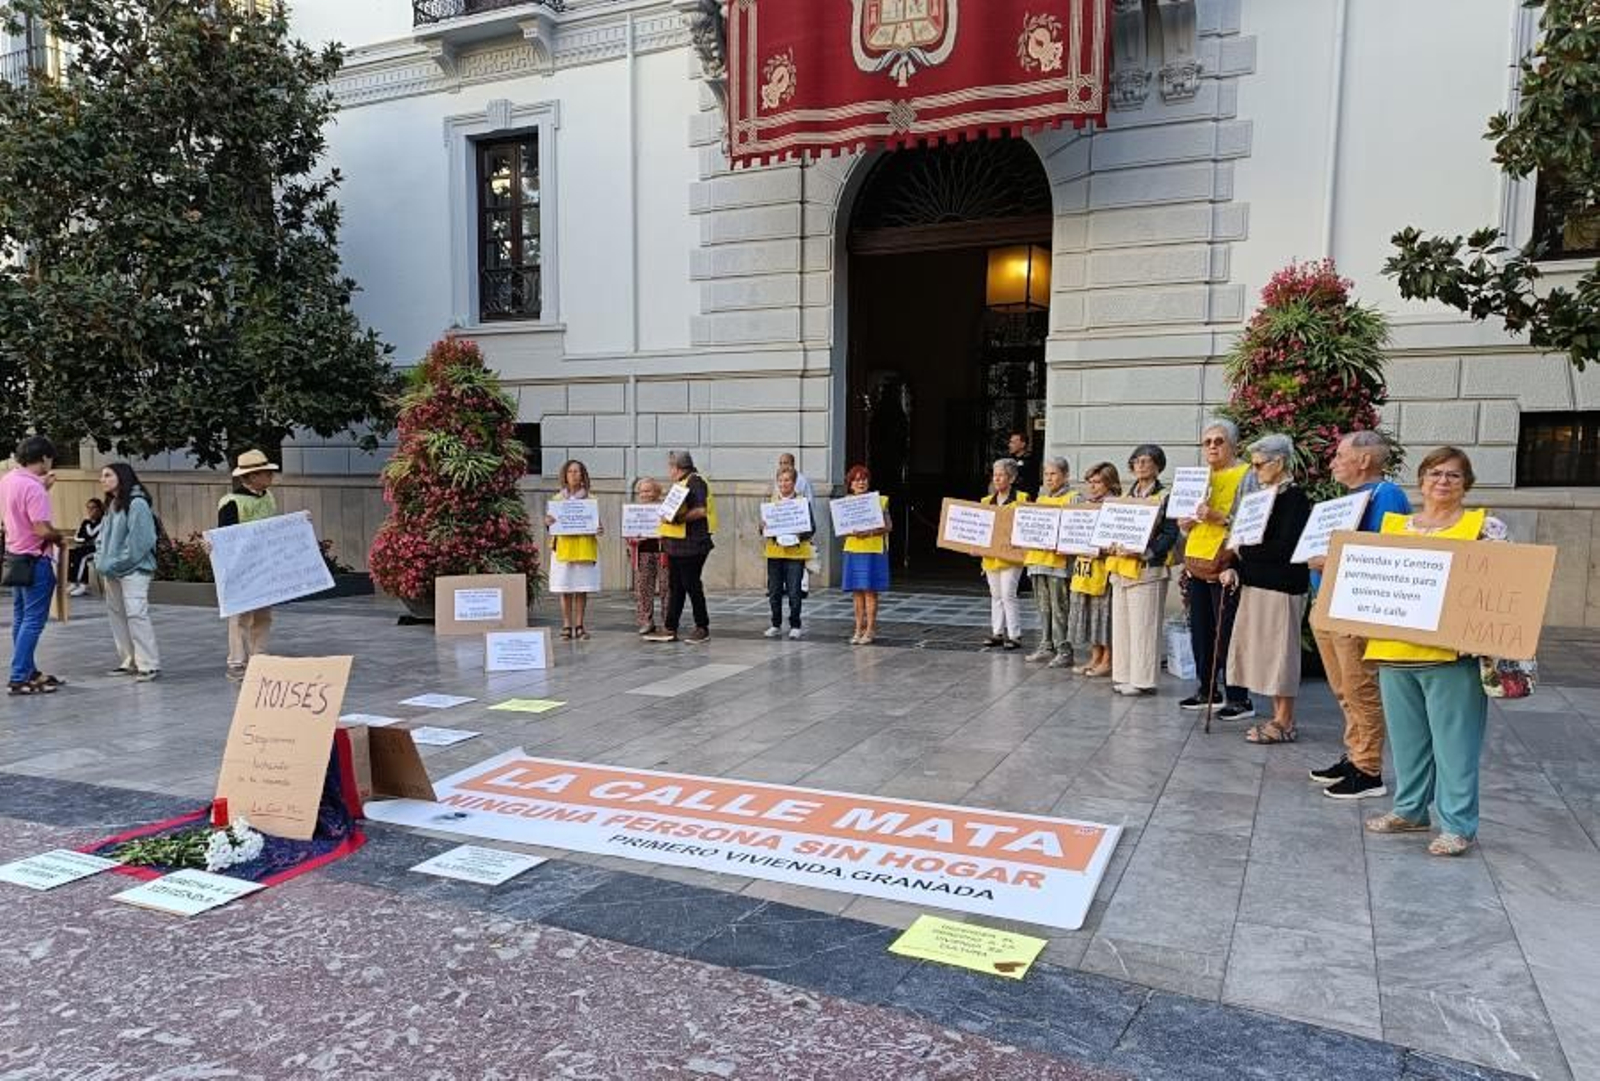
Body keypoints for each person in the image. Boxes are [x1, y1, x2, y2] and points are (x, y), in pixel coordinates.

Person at [1364, 447, 1506, 857]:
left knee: (1455, 746)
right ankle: (1410, 811)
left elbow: (1503, 586)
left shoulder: (1485, 527)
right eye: (1435, 473)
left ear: (1466, 484)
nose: (1443, 481)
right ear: (1422, 481)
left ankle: (1458, 826)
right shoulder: (1395, 526)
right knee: (1407, 743)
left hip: (1451, 656)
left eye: (1453, 475)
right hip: (1394, 651)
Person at [1308, 431, 1413, 799]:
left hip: (1352, 607)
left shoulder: (1386, 495)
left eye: (1340, 455)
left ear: (1365, 460)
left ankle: (1368, 770)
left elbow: (1380, 553)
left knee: (1360, 688)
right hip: (1327, 603)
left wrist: (1328, 559)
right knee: (1344, 689)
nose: (1333, 462)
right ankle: (1355, 755)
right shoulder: (1349, 499)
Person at [1217, 435, 1313, 743]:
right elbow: (1246, 538)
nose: (1254, 470)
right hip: (1256, 583)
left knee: (1280, 654)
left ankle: (1285, 721)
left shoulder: (1294, 498)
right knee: (1265, 654)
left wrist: (1243, 551)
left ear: (1279, 462)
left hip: (1282, 586)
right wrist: (1235, 565)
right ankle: (1277, 716)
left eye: (1259, 464)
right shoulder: (1261, 497)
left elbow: (1286, 547)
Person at [1178, 420, 1255, 720]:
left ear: (1233, 445)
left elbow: (1251, 521)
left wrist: (1218, 516)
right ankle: (1207, 689)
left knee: (1229, 633)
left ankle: (1238, 696)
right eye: (1207, 442)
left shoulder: (1246, 475)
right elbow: (1187, 522)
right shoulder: (1200, 476)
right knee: (1201, 631)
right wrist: (1185, 523)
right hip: (1197, 560)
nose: (1212, 446)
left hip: (1227, 562)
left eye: (1218, 441)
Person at [1109, 444, 1180, 696]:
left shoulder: (1166, 496)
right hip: (1121, 568)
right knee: (1122, 625)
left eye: (1146, 461)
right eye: (1136, 461)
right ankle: (1123, 674)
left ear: (1158, 466)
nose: (1140, 465)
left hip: (1148, 569)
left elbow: (1170, 534)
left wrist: (1146, 552)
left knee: (1144, 626)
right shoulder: (1125, 497)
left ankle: (1143, 680)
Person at [3, 436, 66, 696]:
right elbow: (41, 529)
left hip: (15, 558)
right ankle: (19, 677)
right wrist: (59, 537)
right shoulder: (34, 488)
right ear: (44, 458)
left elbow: (20, 511)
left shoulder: (8, 480)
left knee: (21, 618)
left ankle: (28, 671)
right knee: (33, 621)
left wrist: (43, 487)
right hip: (36, 559)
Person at [217, 448, 281, 681]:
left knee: (264, 614)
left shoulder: (268, 497)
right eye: (265, 473)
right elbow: (226, 537)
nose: (270, 476)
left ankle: (259, 655)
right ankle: (237, 661)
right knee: (241, 617)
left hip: (264, 564)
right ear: (252, 476)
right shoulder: (231, 502)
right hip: (241, 567)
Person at [96, 463, 162, 681]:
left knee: (136, 613)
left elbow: (140, 542)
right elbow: (101, 538)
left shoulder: (137, 503)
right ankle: (129, 660)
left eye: (108, 475)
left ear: (122, 476)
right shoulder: (113, 504)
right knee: (118, 615)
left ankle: (148, 664)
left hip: (135, 570)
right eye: (102, 476)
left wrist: (114, 563)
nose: (102, 479)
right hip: (111, 570)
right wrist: (100, 560)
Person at [646, 450, 715, 644]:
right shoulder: (682, 483)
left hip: (692, 544)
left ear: (677, 467)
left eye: (670, 466)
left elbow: (701, 510)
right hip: (677, 545)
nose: (669, 470)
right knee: (676, 587)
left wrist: (678, 519)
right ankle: (670, 628)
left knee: (691, 585)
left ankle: (702, 627)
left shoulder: (695, 482)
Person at [1069, 463, 1120, 676]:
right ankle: (1095, 657)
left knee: (1104, 615)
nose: (1092, 486)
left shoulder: (1116, 505)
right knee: (1090, 614)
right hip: (1085, 567)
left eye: (1097, 482)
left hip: (1105, 568)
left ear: (1109, 483)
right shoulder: (1085, 505)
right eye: (1090, 482)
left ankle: (1108, 660)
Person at [1025, 457, 1076, 668]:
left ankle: (1064, 650)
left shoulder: (1073, 498)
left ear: (1065, 475)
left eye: (1053, 474)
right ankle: (1046, 646)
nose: (1049, 478)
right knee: (1043, 607)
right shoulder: (1040, 498)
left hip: (1058, 564)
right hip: (1037, 560)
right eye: (1046, 474)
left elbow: (1075, 529)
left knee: (1060, 608)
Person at [545, 459, 604, 641]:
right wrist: (548, 523)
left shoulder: (591, 500)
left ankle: (579, 625)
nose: (573, 475)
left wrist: (598, 528)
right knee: (565, 588)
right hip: (563, 548)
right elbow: (551, 526)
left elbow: (597, 524)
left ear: (583, 475)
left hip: (584, 548)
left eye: (577, 471)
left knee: (581, 588)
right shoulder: (557, 500)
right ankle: (566, 625)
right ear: (565, 475)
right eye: (570, 471)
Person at [980, 459, 1029, 650]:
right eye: (995, 475)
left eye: (1001, 475)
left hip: (1012, 555)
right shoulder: (986, 501)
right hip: (991, 556)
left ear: (1012, 478)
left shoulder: (1022, 498)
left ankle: (1015, 635)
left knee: (1008, 593)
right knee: (996, 594)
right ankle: (997, 632)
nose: (997, 479)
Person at [839, 464, 890, 645]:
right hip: (853, 550)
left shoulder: (879, 501)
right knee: (856, 592)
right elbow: (842, 529)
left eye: (864, 479)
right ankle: (858, 629)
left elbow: (888, 526)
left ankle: (870, 630)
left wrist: (868, 533)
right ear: (850, 484)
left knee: (870, 591)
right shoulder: (845, 503)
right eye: (856, 480)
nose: (860, 483)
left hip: (873, 550)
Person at [763, 466, 814, 640]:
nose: (783, 484)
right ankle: (775, 624)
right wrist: (762, 527)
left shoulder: (802, 502)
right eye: (781, 480)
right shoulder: (771, 502)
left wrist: (799, 534)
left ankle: (795, 624)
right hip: (775, 552)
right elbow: (763, 528)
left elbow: (811, 528)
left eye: (787, 480)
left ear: (794, 482)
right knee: (774, 591)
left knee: (794, 591)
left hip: (795, 553)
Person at [629, 476, 669, 636]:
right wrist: (633, 539)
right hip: (642, 552)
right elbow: (628, 532)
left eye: (648, 491)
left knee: (667, 587)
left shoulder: (665, 508)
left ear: (657, 492)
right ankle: (646, 621)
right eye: (641, 491)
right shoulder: (634, 510)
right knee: (643, 587)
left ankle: (668, 621)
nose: (644, 494)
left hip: (664, 552)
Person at [774, 452, 818, 596]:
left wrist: (806, 522)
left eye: (786, 463)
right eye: (781, 463)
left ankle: (803, 587)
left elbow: (809, 501)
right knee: (784, 556)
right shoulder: (777, 480)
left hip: (799, 524)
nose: (783, 465)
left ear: (793, 464)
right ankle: (784, 585)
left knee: (801, 556)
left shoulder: (803, 480)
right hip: (783, 525)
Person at [68, 498, 105, 597]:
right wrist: (82, 539)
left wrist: (86, 538)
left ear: (99, 509)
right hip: (85, 546)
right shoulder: (86, 522)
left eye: (93, 508)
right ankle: (73, 582)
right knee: (71, 553)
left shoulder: (104, 521)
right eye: (88, 508)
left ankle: (83, 584)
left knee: (82, 556)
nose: (90, 510)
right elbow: (78, 536)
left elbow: (94, 535)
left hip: (98, 548)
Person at [1005, 430, 1040, 497]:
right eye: (1010, 442)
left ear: (1022, 444)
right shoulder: (1009, 459)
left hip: (1025, 497)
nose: (1009, 445)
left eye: (1013, 443)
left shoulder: (1031, 460)